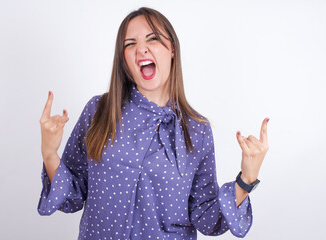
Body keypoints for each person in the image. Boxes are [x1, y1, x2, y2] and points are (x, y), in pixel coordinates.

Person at [38, 7, 269, 240]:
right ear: (124, 60)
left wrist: (246, 179)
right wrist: (49, 153)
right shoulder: (99, 111)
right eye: (130, 44)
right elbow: (71, 196)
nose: (141, 49)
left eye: (153, 39)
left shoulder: (197, 130)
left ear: (172, 50)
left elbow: (207, 218)